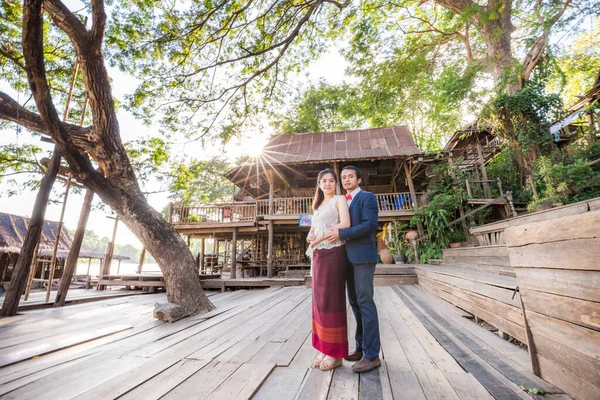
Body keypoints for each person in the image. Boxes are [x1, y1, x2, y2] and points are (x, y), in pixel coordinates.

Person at [325, 165, 381, 373]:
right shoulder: (342, 201)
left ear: (359, 180)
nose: (346, 179)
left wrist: (342, 234)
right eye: (343, 177)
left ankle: (372, 355)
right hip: (345, 257)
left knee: (365, 301)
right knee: (355, 303)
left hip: (363, 256)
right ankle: (360, 348)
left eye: (350, 176)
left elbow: (370, 225)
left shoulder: (367, 197)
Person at [306, 168, 351, 371]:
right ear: (319, 184)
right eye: (323, 180)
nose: (327, 184)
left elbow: (345, 223)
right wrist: (310, 234)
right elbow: (314, 227)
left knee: (332, 301)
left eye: (331, 180)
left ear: (336, 183)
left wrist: (322, 236)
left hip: (333, 253)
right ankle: (324, 347)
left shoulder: (339, 200)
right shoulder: (318, 205)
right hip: (318, 255)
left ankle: (336, 353)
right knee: (319, 301)